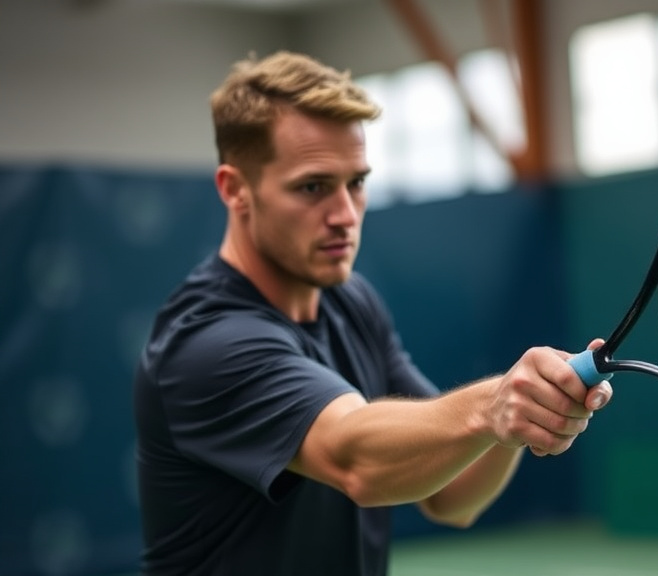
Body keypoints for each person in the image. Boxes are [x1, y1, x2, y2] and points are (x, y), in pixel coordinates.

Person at [132, 50, 613, 576]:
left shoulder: (351, 301)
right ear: (235, 189)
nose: (344, 214)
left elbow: (453, 497)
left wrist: (513, 423)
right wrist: (494, 403)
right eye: (313, 187)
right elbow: (354, 456)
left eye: (356, 182)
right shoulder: (205, 342)